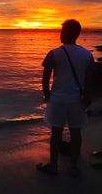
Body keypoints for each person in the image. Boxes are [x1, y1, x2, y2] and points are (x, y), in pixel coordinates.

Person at [37, 19, 94, 177]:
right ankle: (73, 167)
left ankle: (53, 167)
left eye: (61, 31)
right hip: (77, 100)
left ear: (66, 33)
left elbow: (45, 78)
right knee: (76, 133)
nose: (60, 35)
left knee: (56, 133)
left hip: (58, 99)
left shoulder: (54, 53)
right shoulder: (87, 54)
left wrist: (47, 95)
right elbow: (89, 79)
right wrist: (86, 93)